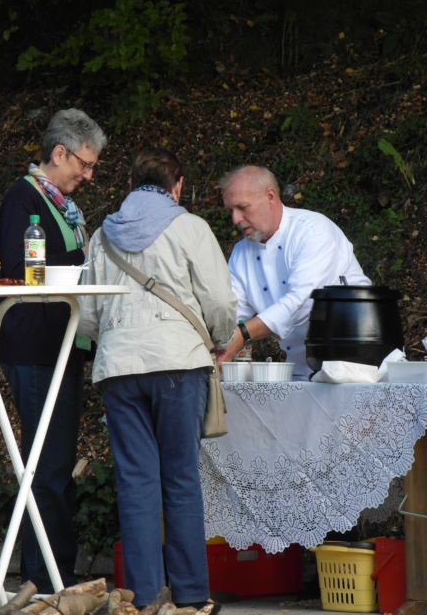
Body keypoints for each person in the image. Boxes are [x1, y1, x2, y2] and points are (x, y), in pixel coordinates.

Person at [80, 147, 236, 610]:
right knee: (182, 479)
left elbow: (87, 315)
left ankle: (145, 597)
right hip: (178, 364)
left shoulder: (101, 236)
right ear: (178, 185)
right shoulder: (190, 227)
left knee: (136, 481)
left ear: (130, 184)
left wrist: (116, 337)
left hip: (118, 369)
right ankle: (190, 595)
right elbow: (221, 303)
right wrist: (219, 340)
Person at [0, 108, 107, 592]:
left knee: (55, 462)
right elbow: (22, 266)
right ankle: (43, 578)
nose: (89, 173)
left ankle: (53, 571)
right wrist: (83, 261)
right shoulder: (24, 198)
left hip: (64, 344)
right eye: (84, 163)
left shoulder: (61, 204)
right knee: (46, 464)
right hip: (35, 345)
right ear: (58, 153)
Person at [218, 165, 371, 379]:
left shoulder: (312, 231)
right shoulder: (241, 253)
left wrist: (243, 334)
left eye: (243, 207)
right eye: (230, 211)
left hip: (358, 365)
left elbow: (302, 302)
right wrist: (215, 343)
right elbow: (231, 311)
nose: (235, 219)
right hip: (300, 370)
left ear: (270, 196)